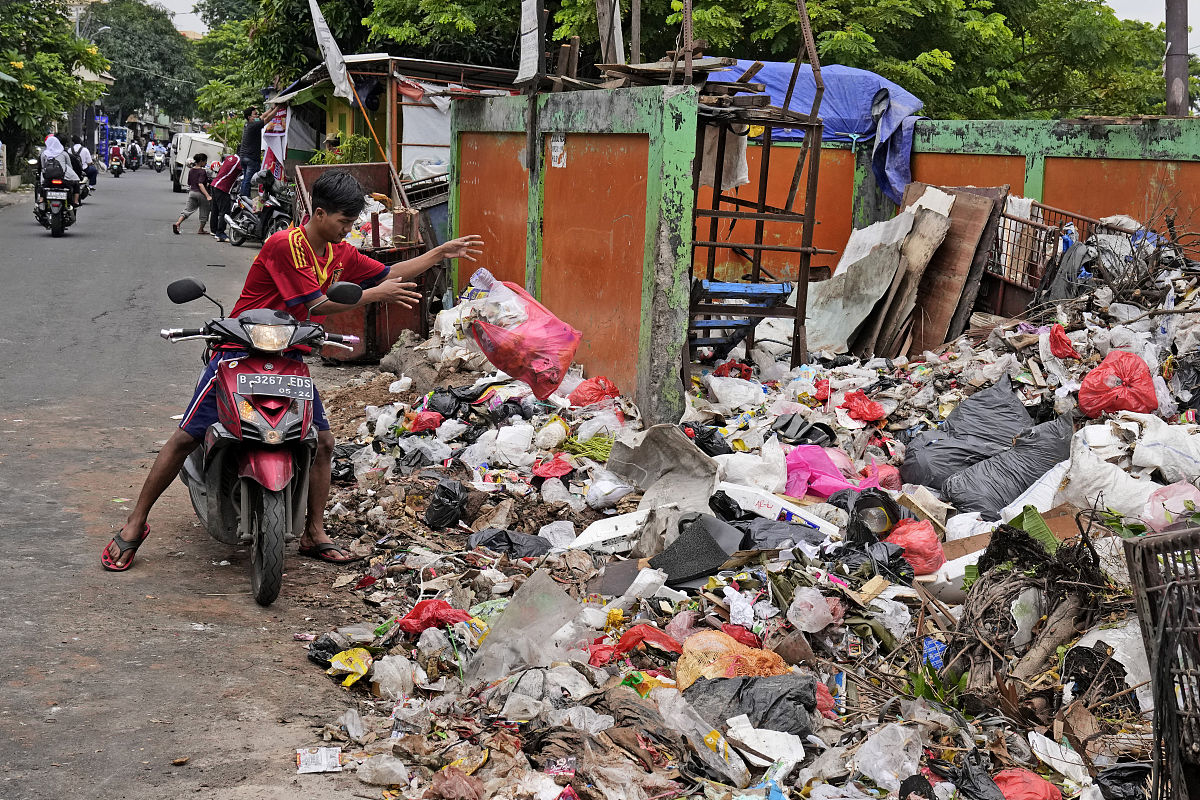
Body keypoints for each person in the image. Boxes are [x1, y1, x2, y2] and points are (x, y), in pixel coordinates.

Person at [101, 169, 485, 570]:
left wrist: (438, 254)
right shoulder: (285, 244)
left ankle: (314, 531)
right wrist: (374, 296)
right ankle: (134, 523)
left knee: (322, 442)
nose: (347, 229)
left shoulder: (338, 253)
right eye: (343, 221)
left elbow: (388, 273)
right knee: (185, 438)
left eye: (351, 222)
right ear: (319, 213)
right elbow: (317, 305)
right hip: (237, 350)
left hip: (288, 355)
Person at [172, 153, 211, 235]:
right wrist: (207, 195)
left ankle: (178, 223)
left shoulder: (191, 170)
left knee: (187, 210)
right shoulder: (202, 171)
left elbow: (189, 182)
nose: (206, 163)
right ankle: (201, 229)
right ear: (201, 161)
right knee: (204, 212)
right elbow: (200, 184)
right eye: (205, 161)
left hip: (192, 192)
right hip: (201, 194)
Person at [208, 152, 241, 243]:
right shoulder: (239, 162)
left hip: (215, 184)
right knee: (225, 211)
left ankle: (214, 230)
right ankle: (220, 233)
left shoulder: (230, 158)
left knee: (215, 209)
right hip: (223, 187)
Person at [40, 134, 81, 205]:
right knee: (76, 184)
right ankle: (76, 201)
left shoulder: (44, 154)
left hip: (48, 180)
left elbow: (43, 167)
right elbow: (70, 167)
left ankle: (41, 199)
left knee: (42, 186)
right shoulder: (64, 153)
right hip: (63, 179)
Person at [237, 106, 265, 197]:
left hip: (244, 157)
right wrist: (278, 108)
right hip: (250, 158)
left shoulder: (249, 123)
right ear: (249, 117)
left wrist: (273, 109)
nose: (257, 115)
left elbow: (263, 116)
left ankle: (243, 198)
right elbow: (267, 119)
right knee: (248, 181)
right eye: (255, 114)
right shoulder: (253, 125)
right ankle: (244, 199)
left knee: (246, 180)